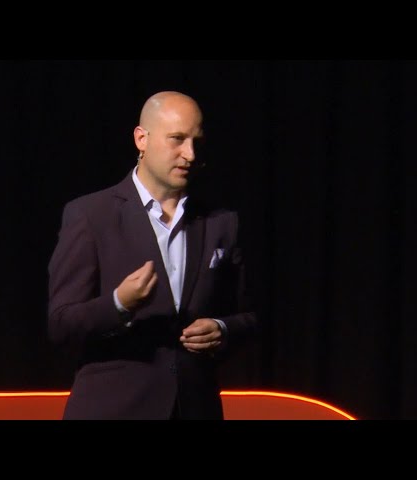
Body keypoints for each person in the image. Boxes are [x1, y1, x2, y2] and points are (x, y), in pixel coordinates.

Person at [47, 90, 259, 420]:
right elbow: (61, 324)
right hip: (114, 410)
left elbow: (249, 316)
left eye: (197, 142)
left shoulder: (221, 222)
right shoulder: (91, 215)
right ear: (141, 139)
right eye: (177, 139)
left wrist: (223, 329)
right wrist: (119, 304)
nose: (190, 154)